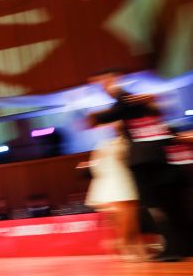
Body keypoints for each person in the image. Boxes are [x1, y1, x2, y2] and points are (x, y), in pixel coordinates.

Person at [88, 69, 190, 261]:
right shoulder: (154, 120)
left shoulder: (135, 110)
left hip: (150, 165)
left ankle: (174, 249)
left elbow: (120, 107)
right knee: (170, 208)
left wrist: (113, 91)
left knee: (159, 207)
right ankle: (181, 247)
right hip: (164, 165)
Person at [77, 124, 146, 261]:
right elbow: (97, 165)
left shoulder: (127, 142)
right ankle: (126, 246)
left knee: (130, 216)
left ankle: (134, 246)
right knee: (122, 217)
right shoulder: (105, 143)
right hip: (115, 182)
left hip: (125, 180)